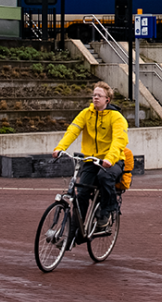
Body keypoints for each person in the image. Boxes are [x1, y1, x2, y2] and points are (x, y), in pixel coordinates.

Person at [53, 81, 129, 234]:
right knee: (81, 194)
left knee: (104, 176)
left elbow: (119, 140)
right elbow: (73, 130)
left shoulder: (116, 117)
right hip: (91, 160)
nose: (95, 98)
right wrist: (60, 148)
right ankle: (75, 232)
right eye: (94, 95)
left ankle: (106, 212)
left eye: (99, 96)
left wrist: (109, 159)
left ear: (107, 99)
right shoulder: (86, 113)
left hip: (112, 160)